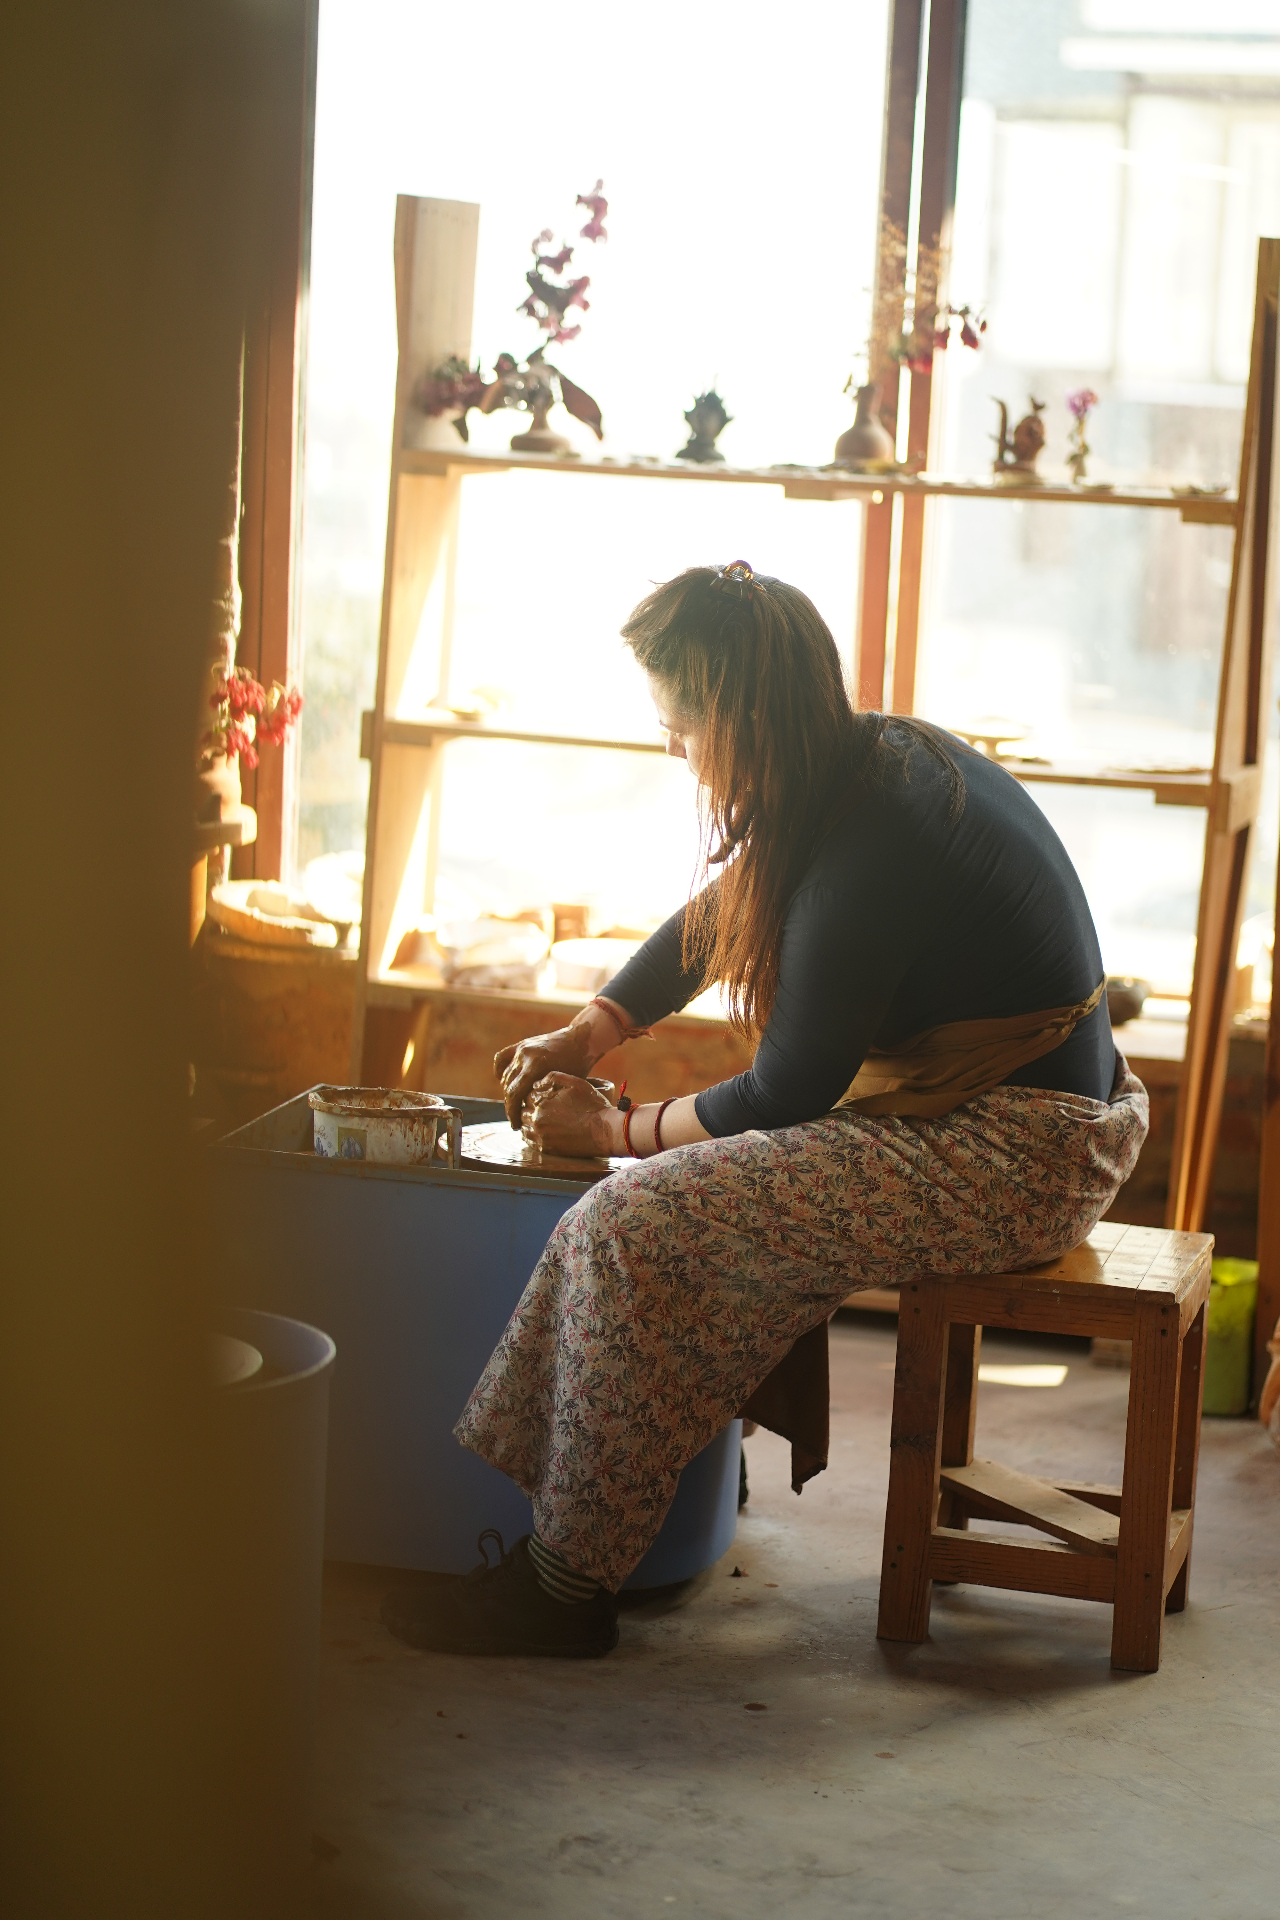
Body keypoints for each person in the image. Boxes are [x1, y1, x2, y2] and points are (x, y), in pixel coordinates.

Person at [381, 561, 1148, 1658]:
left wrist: (610, 1134)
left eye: (678, 729)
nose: (675, 752)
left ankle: (562, 1590)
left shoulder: (875, 832)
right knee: (675, 1202)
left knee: (630, 1222)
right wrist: (591, 1029)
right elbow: (723, 909)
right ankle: (663, 1470)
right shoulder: (852, 762)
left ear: (737, 720)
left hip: (1024, 1155)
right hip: (1006, 1115)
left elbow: (791, 1089)